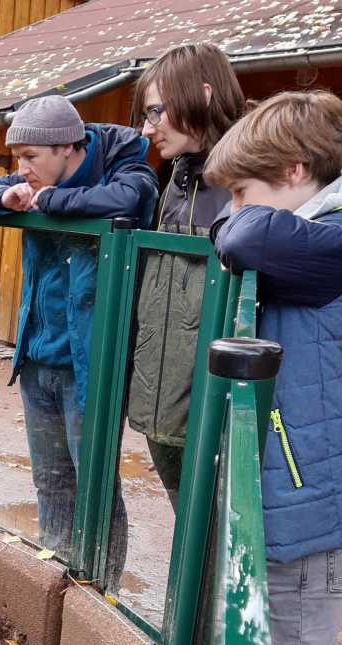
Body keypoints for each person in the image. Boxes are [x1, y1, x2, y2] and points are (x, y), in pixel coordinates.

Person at [205, 89, 342, 645]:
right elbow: (246, 226)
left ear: (296, 171)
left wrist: (236, 222)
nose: (234, 208)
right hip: (304, 480)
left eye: (245, 187)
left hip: (312, 494)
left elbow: (246, 234)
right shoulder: (314, 232)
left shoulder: (327, 240)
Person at [0, 95, 157, 585]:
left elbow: (126, 201)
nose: (22, 169)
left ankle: (100, 589)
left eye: (31, 157)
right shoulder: (30, 181)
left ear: (68, 149)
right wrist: (3, 197)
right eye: (18, 158)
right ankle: (57, 576)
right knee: (50, 479)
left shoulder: (125, 172)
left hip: (90, 366)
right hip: (37, 360)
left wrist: (48, 202)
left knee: (93, 481)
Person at [126, 43, 246, 509]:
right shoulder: (173, 178)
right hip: (166, 404)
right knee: (188, 517)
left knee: (215, 528)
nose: (146, 128)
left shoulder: (248, 181)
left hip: (213, 408)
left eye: (155, 111)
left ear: (202, 93)